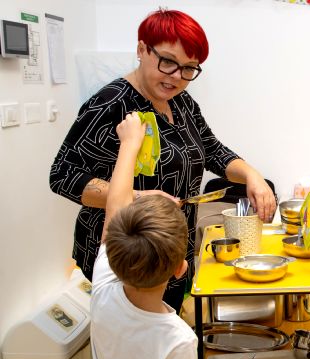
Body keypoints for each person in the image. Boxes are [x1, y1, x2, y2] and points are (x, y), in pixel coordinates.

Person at [49, 8, 276, 312]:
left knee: (165, 329)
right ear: (142, 49)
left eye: (189, 68)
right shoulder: (110, 104)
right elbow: (62, 176)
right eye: (168, 62)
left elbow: (212, 150)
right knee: (136, 336)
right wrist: (137, 197)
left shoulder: (181, 102)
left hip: (170, 251)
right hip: (125, 257)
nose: (177, 77)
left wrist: (251, 175)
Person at [91, 112, 253, 359]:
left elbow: (115, 207)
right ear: (181, 269)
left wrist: (130, 144)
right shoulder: (177, 340)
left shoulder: (103, 289)